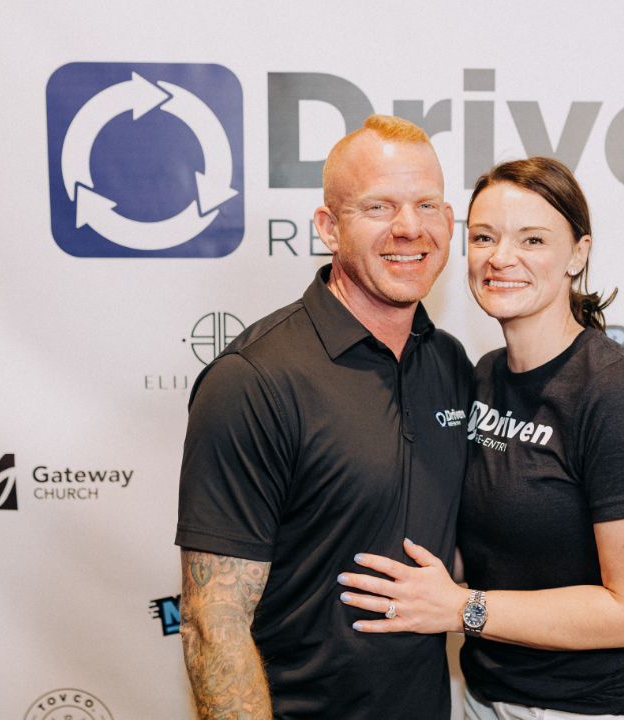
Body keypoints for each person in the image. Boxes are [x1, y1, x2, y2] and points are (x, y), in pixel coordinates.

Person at [337, 157, 624, 719]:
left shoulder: (616, 395)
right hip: (485, 698)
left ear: (578, 253)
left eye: (533, 239)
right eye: (484, 237)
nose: (501, 258)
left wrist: (463, 610)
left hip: (591, 709)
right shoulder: (481, 376)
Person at [175, 115, 473, 720]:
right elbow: (214, 625)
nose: (409, 227)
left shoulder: (448, 362)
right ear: (328, 229)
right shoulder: (254, 380)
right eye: (378, 207)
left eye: (427, 204)